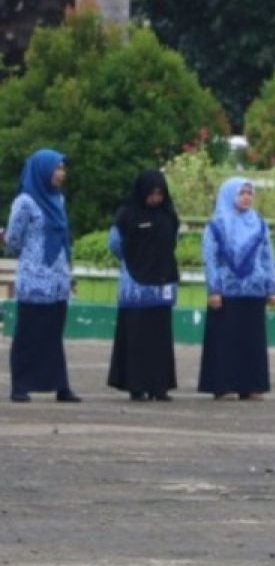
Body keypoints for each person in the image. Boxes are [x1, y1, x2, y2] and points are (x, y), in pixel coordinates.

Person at [5, 149, 80, 403]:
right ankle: (21, 385)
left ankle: (59, 385)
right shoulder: (25, 201)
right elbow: (13, 240)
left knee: (53, 334)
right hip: (35, 279)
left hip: (57, 280)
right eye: (56, 168)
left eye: (62, 168)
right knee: (29, 333)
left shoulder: (58, 200)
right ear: (42, 171)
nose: (61, 174)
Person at [198, 177, 275, 401]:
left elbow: (267, 256)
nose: (246, 197)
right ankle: (223, 385)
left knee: (251, 341)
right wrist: (213, 289)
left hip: (253, 290)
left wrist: (271, 287)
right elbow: (210, 258)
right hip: (226, 291)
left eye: (249, 193)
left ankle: (251, 385)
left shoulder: (259, 223)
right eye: (241, 193)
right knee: (226, 340)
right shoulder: (216, 225)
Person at [106, 170, 180, 402]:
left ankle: (160, 386)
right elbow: (115, 243)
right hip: (136, 287)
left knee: (160, 338)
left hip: (161, 284)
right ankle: (136, 385)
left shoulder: (168, 215)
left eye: (160, 194)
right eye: (152, 194)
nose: (156, 199)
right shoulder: (127, 214)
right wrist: (133, 260)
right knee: (136, 337)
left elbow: (172, 242)